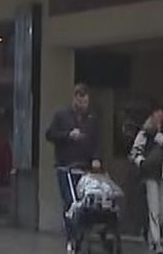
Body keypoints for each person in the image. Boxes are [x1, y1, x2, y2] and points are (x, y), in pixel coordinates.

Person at [45, 84, 100, 253]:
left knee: (86, 202)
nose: (83, 105)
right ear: (75, 99)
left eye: (86, 102)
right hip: (65, 166)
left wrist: (96, 158)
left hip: (84, 167)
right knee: (71, 202)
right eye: (80, 101)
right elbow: (49, 134)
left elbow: (95, 141)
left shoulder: (91, 118)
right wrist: (68, 135)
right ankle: (71, 237)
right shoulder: (62, 115)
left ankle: (81, 235)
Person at [130, 104, 163, 254]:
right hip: (151, 175)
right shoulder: (144, 133)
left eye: (161, 115)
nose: (158, 117)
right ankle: (156, 244)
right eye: (155, 114)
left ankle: (149, 231)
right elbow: (134, 152)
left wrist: (158, 136)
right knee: (154, 210)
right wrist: (142, 163)